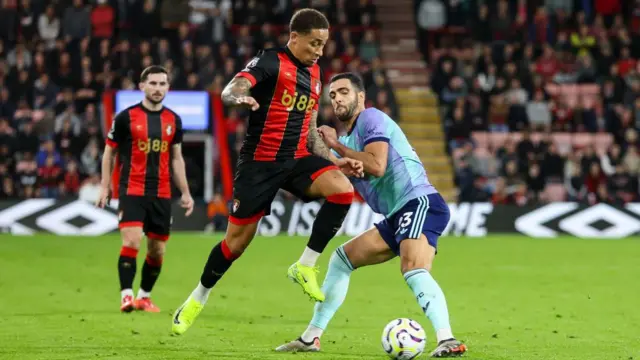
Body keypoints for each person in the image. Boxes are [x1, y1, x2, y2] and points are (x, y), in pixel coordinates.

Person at [171, 9, 363, 335]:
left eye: (323, 44)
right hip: (260, 164)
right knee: (235, 245)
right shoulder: (270, 62)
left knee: (342, 190)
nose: (319, 50)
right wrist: (239, 98)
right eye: (314, 43)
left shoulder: (315, 74)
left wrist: (333, 160)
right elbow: (232, 89)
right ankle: (197, 297)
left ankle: (305, 265)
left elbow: (310, 131)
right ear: (295, 37)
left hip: (297, 158)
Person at [275, 73, 468, 357]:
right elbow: (345, 170)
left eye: (343, 92)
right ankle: (310, 338)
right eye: (332, 95)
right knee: (342, 260)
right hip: (396, 213)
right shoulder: (350, 138)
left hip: (418, 201)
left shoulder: (371, 119)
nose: (337, 98)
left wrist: (336, 144)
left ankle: (447, 339)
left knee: (413, 268)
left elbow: (377, 166)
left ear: (360, 97)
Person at [97, 66, 194, 313]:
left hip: (161, 193)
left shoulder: (173, 120)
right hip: (132, 189)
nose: (158, 88)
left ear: (168, 88)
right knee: (131, 241)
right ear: (142, 86)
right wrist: (104, 186)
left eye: (163, 84)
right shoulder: (125, 118)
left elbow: (176, 158)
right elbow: (109, 152)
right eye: (153, 83)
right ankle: (126, 296)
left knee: (157, 249)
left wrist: (185, 191)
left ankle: (144, 297)